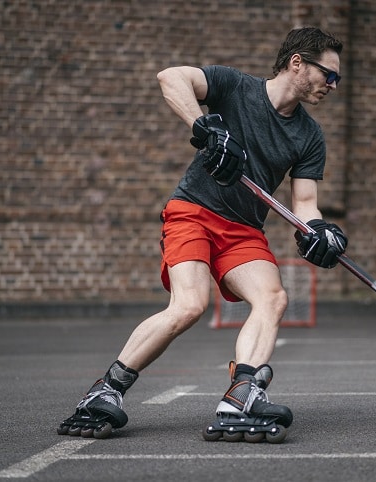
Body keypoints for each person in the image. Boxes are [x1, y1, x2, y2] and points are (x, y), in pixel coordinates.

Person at [58, 26, 348, 442]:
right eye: (329, 75)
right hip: (193, 211)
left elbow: (304, 204)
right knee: (190, 305)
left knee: (274, 297)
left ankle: (242, 394)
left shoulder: (309, 135)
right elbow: (170, 77)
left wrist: (318, 231)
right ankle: (105, 392)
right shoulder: (234, 86)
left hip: (243, 229)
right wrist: (206, 128)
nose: (333, 86)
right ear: (297, 62)